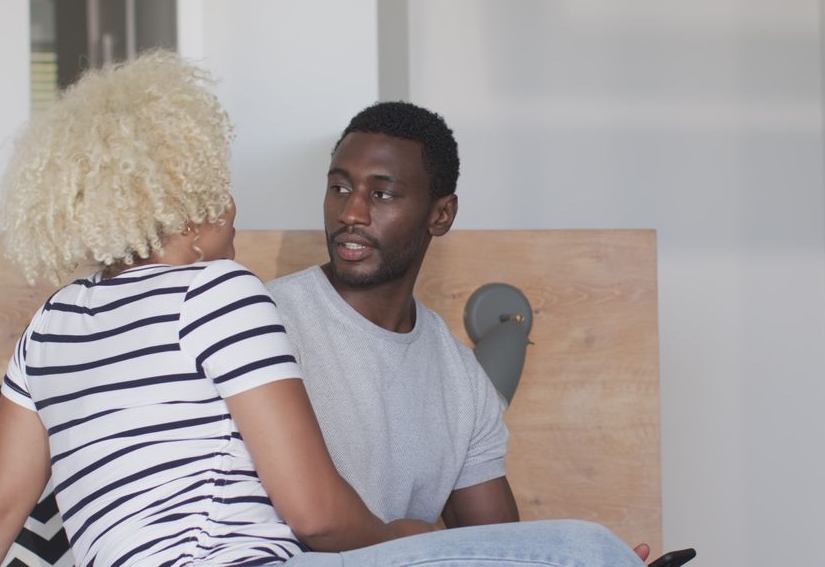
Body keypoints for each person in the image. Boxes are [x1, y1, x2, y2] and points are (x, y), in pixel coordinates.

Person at [0, 53, 433, 567]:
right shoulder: (215, 293)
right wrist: (405, 538)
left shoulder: (49, 325)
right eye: (217, 188)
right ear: (196, 211)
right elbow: (316, 515)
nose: (233, 207)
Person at [268, 101, 649, 565]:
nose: (352, 212)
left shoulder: (462, 379)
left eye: (383, 194)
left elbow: (498, 551)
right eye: (339, 187)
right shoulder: (265, 321)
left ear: (441, 215)